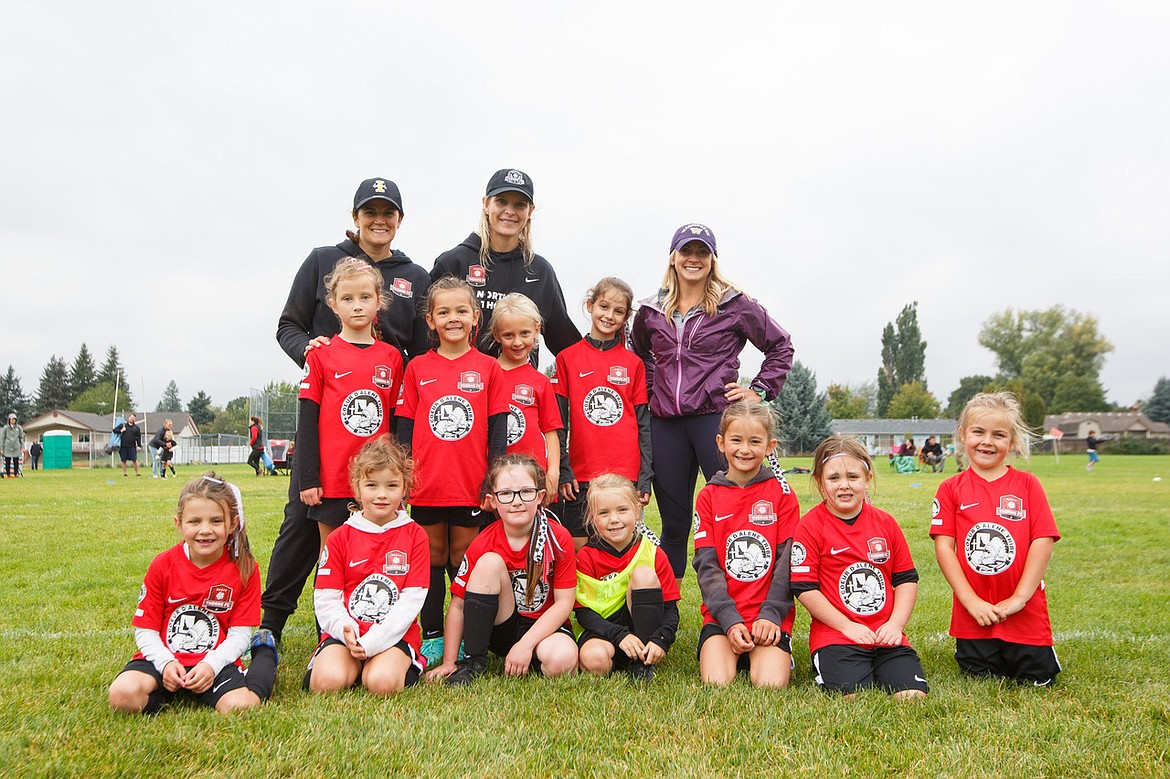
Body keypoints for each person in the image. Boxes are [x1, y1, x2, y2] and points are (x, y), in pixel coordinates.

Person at [261, 176, 430, 650]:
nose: (379, 220)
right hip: (328, 435)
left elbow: (418, 354)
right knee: (302, 525)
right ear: (355, 218)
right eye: (369, 211)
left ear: (399, 220)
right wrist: (309, 350)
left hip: (378, 436)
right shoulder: (321, 260)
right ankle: (274, 625)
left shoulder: (413, 276)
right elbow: (288, 325)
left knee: (377, 536)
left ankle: (382, 623)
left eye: (388, 212)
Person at [631, 223, 794, 579]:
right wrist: (649, 391)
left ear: (712, 259)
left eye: (701, 252)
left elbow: (780, 345)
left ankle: (738, 603)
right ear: (673, 257)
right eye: (686, 251)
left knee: (732, 514)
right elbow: (639, 355)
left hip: (714, 420)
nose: (693, 258)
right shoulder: (649, 310)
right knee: (674, 524)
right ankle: (667, 614)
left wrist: (760, 390)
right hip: (666, 425)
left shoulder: (734, 304)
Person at [397, 277, 509, 666]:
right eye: (443, 312)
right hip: (427, 484)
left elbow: (498, 429)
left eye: (461, 311)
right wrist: (404, 476)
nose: (453, 318)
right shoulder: (417, 369)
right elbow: (405, 429)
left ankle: (462, 635)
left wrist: (493, 479)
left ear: (476, 317)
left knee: (463, 557)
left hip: (471, 484)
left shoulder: (489, 369)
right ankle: (431, 635)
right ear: (430, 320)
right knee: (431, 556)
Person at [107, 472, 276, 714]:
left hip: (215, 660)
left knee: (240, 707)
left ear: (233, 524)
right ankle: (172, 692)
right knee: (122, 696)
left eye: (216, 521)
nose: (205, 530)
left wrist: (210, 665)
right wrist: (165, 663)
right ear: (179, 523)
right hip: (165, 658)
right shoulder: (162, 564)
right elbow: (146, 630)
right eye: (194, 521)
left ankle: (265, 654)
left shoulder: (245, 568)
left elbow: (239, 635)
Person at [931, 391, 1061, 686]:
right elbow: (944, 547)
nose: (987, 441)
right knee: (977, 675)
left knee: (1037, 679)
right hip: (973, 615)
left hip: (1024, 612)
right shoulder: (950, 488)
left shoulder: (1028, 484)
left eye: (999, 434)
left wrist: (1019, 598)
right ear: (964, 435)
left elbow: (1043, 540)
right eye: (979, 432)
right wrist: (970, 601)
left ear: (1012, 442)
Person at [792, 435, 929, 700]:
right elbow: (804, 588)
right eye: (834, 478)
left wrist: (895, 625)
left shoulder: (886, 523)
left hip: (884, 634)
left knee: (912, 696)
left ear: (867, 480)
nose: (844, 485)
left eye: (853, 477)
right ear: (820, 483)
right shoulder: (809, 526)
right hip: (837, 636)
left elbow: (906, 580)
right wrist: (846, 626)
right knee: (854, 697)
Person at [425, 454, 577, 685]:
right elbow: (457, 605)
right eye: (506, 494)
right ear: (493, 500)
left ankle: (532, 655)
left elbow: (564, 603)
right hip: (502, 628)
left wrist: (526, 645)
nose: (516, 501)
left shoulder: (557, 538)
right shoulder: (484, 541)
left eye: (526, 492)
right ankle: (473, 661)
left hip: (545, 628)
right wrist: (449, 661)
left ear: (540, 496)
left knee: (562, 661)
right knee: (489, 562)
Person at [306, 436, 429, 695]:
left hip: (393, 636)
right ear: (357, 488)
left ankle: (399, 665)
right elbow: (326, 598)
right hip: (346, 635)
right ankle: (345, 661)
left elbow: (411, 601)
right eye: (371, 485)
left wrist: (374, 641)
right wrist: (345, 630)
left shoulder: (415, 535)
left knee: (380, 684)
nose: (381, 495)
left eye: (392, 485)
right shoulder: (340, 536)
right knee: (326, 683)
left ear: (405, 488)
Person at [297, 257, 404, 550]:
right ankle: (330, 598)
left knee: (375, 551)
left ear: (379, 301)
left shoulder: (392, 358)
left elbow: (396, 421)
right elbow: (307, 419)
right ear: (333, 304)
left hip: (378, 479)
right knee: (332, 552)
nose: (357, 305)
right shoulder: (320, 355)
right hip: (333, 480)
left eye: (365, 297)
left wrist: (398, 477)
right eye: (347, 298)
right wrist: (308, 478)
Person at [693, 402, 801, 688]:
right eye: (736, 440)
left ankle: (774, 651)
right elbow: (707, 565)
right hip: (722, 615)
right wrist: (728, 619)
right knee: (716, 682)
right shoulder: (708, 496)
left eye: (755, 441)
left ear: (769, 446)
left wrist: (771, 613)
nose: (744, 449)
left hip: (768, 614)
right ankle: (724, 645)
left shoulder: (782, 494)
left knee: (770, 684)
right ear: (721, 442)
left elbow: (787, 560)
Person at [431, 168, 580, 362]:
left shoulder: (540, 271)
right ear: (486, 204)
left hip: (518, 389)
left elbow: (566, 344)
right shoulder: (453, 263)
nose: (510, 211)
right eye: (501, 201)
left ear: (530, 211)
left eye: (519, 205)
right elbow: (425, 335)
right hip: (461, 387)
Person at [554, 278, 652, 550]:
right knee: (579, 551)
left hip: (624, 475)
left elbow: (643, 424)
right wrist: (564, 469)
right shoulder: (567, 359)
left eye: (618, 311)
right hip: (580, 477)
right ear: (590, 305)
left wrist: (645, 475)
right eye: (604, 306)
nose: (609, 315)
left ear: (625, 317)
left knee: (620, 549)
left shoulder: (633, 364)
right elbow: (558, 423)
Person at [575, 473, 680, 683]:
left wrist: (661, 640)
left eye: (622, 510)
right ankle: (618, 660)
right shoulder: (586, 556)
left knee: (643, 574)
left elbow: (670, 609)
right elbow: (583, 613)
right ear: (591, 518)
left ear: (637, 510)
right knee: (594, 660)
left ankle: (642, 662)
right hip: (603, 631)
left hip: (642, 631)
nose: (614, 519)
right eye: (603, 513)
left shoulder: (653, 552)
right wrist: (619, 636)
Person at [491, 293, 562, 498]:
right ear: (496, 334)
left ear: (536, 331)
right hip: (497, 477)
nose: (517, 342)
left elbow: (551, 432)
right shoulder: (486, 374)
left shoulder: (540, 382)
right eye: (508, 335)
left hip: (533, 479)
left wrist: (553, 473)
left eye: (524, 333)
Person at [2, 413, 25, 477]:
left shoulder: (19, 428)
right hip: (7, 447)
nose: (13, 421)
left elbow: (21, 437)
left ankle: (15, 474)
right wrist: (1, 448)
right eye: (12, 419)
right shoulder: (5, 428)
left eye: (14, 419)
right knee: (7, 461)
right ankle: (8, 474)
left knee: (16, 461)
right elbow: (2, 439)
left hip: (16, 447)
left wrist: (22, 447)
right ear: (9, 420)